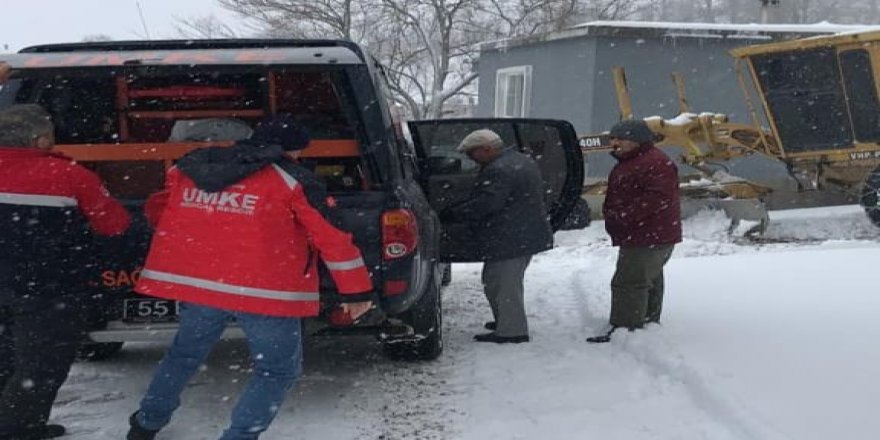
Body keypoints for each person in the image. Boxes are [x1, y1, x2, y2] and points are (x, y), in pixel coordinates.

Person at [126, 114, 374, 440]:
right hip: (265, 289)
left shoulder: (191, 167)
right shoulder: (293, 179)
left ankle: (147, 422)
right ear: (292, 150)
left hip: (200, 285)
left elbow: (159, 209)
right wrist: (356, 293)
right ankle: (240, 436)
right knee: (276, 369)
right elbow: (332, 237)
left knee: (185, 354)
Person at [0, 103, 131, 439]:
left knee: (6, 356)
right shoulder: (70, 175)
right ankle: (18, 428)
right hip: (47, 286)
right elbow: (114, 225)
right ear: (41, 139)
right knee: (42, 363)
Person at [448, 129, 553, 344]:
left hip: (511, 236)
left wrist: (455, 213)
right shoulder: (518, 160)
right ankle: (505, 321)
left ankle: (512, 331)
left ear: (486, 149)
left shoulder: (500, 169)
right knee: (495, 281)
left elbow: (488, 203)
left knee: (504, 284)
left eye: (471, 153)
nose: (470, 158)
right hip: (519, 233)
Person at [587, 119, 681, 343]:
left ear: (637, 140)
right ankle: (646, 323)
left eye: (620, 138)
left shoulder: (654, 163)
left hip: (647, 234)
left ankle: (626, 329)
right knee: (648, 278)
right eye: (613, 138)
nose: (614, 143)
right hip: (647, 233)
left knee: (629, 282)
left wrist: (624, 216)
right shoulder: (635, 160)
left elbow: (657, 199)